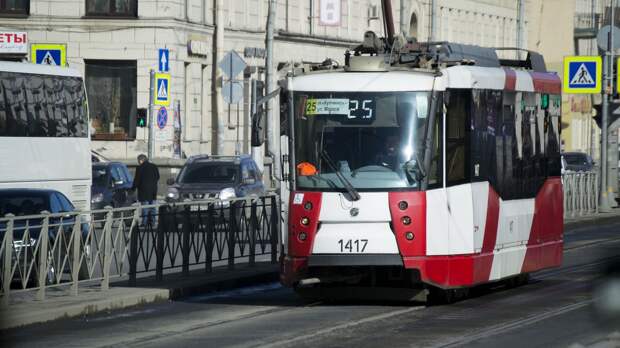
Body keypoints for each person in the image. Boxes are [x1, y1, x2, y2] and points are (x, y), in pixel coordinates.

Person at [132, 154, 160, 225]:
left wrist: (133, 189)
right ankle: (153, 222)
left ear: (141, 160)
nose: (138, 162)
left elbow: (137, 180)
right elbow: (158, 177)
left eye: (138, 160)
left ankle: (144, 222)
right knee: (153, 206)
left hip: (144, 191)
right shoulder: (154, 166)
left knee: (145, 207)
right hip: (153, 190)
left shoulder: (139, 168)